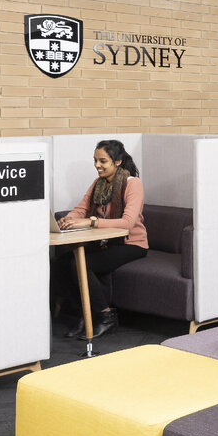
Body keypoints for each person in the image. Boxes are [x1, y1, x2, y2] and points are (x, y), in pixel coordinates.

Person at [52, 139, 148, 338]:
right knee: (59, 264)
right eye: (95, 160)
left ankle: (106, 317)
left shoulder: (133, 184)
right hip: (105, 242)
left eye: (103, 161)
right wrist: (69, 219)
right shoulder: (98, 183)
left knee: (79, 264)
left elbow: (127, 222)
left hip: (130, 244)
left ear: (118, 161)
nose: (97, 165)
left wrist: (90, 222)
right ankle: (83, 314)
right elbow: (81, 209)